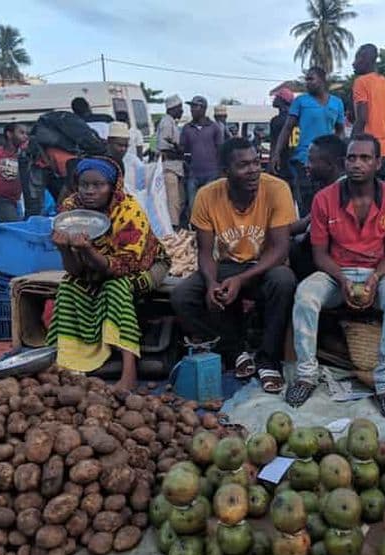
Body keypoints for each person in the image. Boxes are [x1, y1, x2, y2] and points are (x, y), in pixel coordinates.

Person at [287, 134, 385, 419]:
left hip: (378, 272)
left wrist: (375, 278)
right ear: (344, 162)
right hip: (334, 273)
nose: (357, 164)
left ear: (378, 163)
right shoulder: (324, 199)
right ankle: (306, 375)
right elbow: (319, 254)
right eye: (352, 158)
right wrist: (342, 280)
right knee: (305, 295)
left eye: (365, 158)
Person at [170, 138, 297, 394]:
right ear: (226, 172)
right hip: (228, 265)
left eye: (255, 162)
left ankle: (268, 360)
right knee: (182, 296)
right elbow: (205, 253)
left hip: (265, 266)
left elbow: (280, 249)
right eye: (243, 165)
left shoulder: (277, 189)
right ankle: (235, 351)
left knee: (284, 280)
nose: (253, 170)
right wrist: (210, 283)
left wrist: (242, 279)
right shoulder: (207, 195)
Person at [48, 157, 162, 392]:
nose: (89, 191)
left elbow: (121, 266)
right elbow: (75, 270)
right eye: (84, 185)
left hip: (144, 265)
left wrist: (89, 250)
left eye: (98, 185)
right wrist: (64, 249)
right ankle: (68, 361)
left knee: (116, 287)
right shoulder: (70, 210)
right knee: (68, 286)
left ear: (112, 186)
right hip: (94, 267)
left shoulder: (129, 212)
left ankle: (128, 371)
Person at [271, 67, 345, 216]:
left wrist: (339, 151)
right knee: (307, 203)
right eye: (306, 79)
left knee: (330, 202)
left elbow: (340, 130)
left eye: (311, 79)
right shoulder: (301, 101)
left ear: (322, 81)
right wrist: (276, 154)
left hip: (328, 162)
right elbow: (287, 129)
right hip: (304, 160)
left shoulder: (337, 103)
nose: (307, 83)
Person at [289, 134, 347, 281]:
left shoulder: (334, 194)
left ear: (332, 164)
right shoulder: (335, 189)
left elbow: (306, 238)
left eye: (312, 160)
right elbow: (307, 221)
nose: (306, 164)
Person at [351, 44, 385, 180]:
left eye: (357, 58)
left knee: (360, 197)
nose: (354, 63)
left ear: (366, 59)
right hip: (382, 153)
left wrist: (350, 148)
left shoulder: (361, 82)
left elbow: (362, 118)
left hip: (365, 152)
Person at [181, 95, 223, 226]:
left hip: (212, 173)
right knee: (193, 207)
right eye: (191, 107)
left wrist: (221, 171)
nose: (192, 110)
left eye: (195, 107)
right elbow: (183, 149)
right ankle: (195, 234)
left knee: (209, 207)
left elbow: (220, 149)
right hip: (193, 174)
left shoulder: (214, 127)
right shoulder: (187, 128)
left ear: (203, 109)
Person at [156, 95, 185, 228]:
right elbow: (163, 148)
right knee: (173, 203)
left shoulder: (172, 122)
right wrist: (181, 152)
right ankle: (173, 230)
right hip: (170, 168)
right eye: (180, 108)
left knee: (179, 201)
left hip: (176, 168)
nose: (182, 111)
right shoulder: (166, 123)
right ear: (172, 108)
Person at [269, 88, 295, 184]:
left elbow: (274, 144)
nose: (274, 99)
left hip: (282, 163)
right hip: (295, 162)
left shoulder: (277, 121)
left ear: (282, 100)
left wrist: (271, 162)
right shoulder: (297, 119)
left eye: (277, 97)